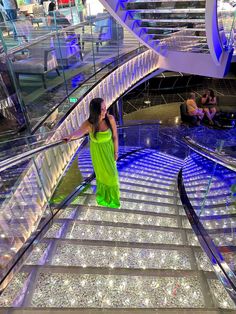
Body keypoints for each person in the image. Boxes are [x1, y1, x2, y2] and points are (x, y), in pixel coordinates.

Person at [64, 98, 120, 208]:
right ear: (95, 111)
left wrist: (116, 152)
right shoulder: (89, 124)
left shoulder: (110, 119)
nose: (105, 111)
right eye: (102, 109)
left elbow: (115, 136)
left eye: (105, 108)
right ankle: (104, 198)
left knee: (113, 176)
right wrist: (71, 136)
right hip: (98, 155)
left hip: (109, 152)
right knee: (102, 176)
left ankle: (113, 200)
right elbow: (79, 132)